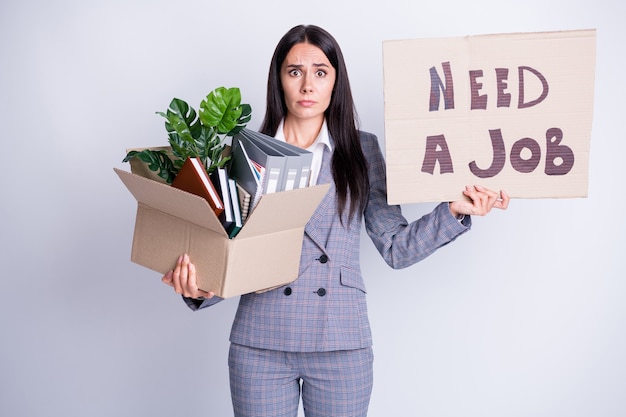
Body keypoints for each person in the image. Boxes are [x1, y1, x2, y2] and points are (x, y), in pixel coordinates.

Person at [162, 24, 509, 417]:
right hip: (261, 342)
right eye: (295, 72)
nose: (307, 85)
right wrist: (199, 287)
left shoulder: (362, 150)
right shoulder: (242, 151)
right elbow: (231, 251)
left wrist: (454, 210)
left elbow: (396, 247)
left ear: (335, 82)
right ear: (278, 80)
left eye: (320, 72)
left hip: (341, 342)